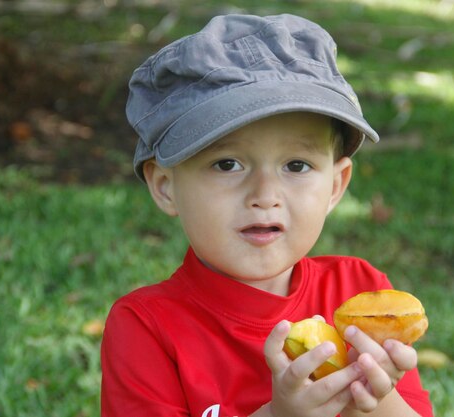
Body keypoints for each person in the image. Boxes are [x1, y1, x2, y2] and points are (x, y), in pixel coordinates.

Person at [101, 13, 433, 417]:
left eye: (296, 165)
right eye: (227, 164)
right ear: (166, 186)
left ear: (335, 185)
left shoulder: (362, 297)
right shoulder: (146, 328)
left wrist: (375, 398)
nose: (265, 195)